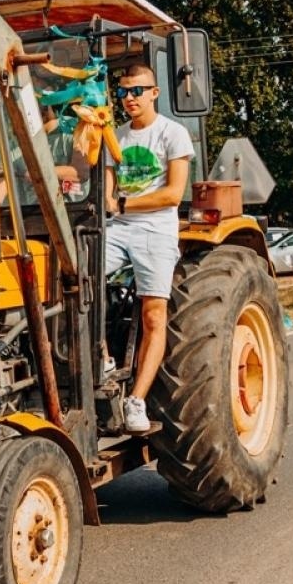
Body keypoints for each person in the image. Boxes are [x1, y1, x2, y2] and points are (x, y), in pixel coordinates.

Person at [105, 62, 193, 433]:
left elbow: (173, 194)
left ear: (154, 92)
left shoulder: (173, 133)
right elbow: (107, 190)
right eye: (123, 92)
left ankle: (136, 400)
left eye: (137, 91)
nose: (129, 99)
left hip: (155, 230)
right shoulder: (114, 137)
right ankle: (105, 360)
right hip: (116, 229)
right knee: (77, 284)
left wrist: (122, 205)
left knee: (153, 315)